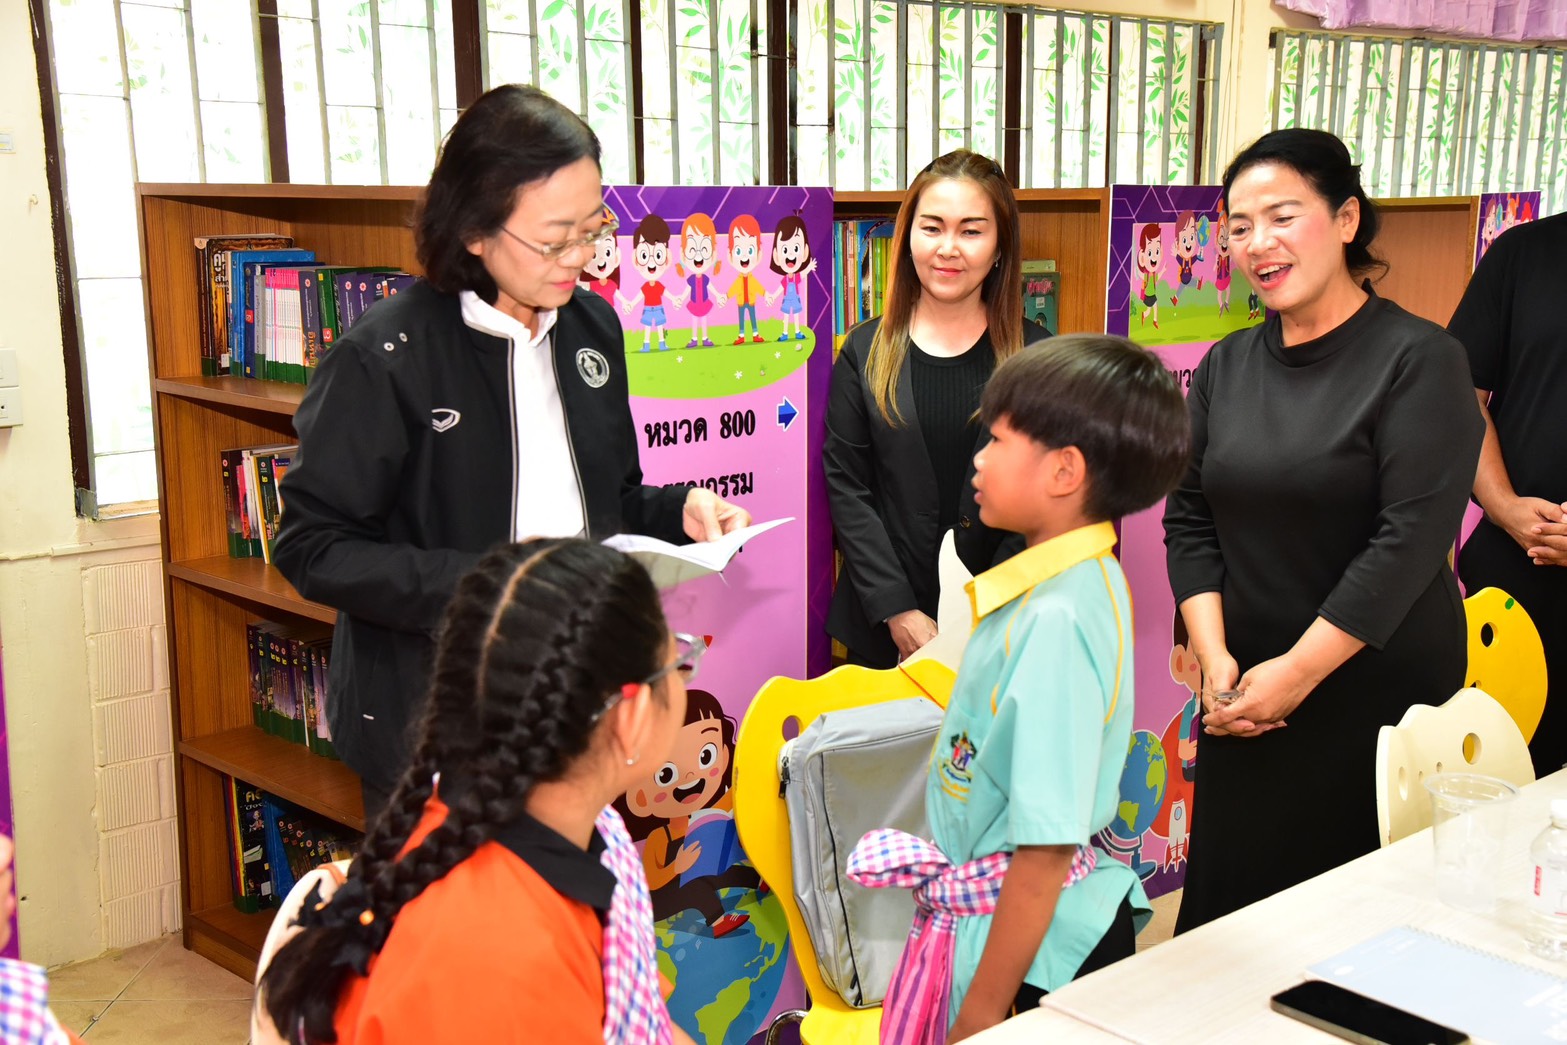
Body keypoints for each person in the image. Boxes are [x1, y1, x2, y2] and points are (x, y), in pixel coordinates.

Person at [274, 85, 749, 817]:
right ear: (474, 229)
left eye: (593, 229)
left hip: (578, 704)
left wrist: (677, 510)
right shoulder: (386, 356)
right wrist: (493, 587)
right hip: (435, 722)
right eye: (555, 239)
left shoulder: (591, 328)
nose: (582, 258)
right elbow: (313, 547)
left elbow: (609, 499)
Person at [1163, 128, 1484, 933]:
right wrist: (1214, 659)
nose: (1256, 243)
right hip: (1245, 691)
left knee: (1353, 936)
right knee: (1230, 930)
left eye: (1281, 216)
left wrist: (1297, 673)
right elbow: (1189, 515)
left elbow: (1408, 540)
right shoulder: (1227, 364)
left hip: (1369, 686)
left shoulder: (1419, 358)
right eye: (1238, 226)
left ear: (1345, 219)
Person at [849, 336, 1190, 1043]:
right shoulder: (1068, 582)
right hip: (1012, 924)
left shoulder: (1057, 619)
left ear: (1065, 470)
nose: (977, 459)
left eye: (998, 440)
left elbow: (1043, 850)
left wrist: (981, 1013)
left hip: (1029, 954)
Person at [257, 539, 702, 1044]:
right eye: (678, 661)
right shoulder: (506, 967)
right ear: (632, 715)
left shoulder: (583, 830)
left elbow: (640, 1012)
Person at [824, 149, 1048, 669]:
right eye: (932, 228)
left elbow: (1043, 500)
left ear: (1000, 246)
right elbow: (847, 488)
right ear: (908, 239)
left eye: (971, 231)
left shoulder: (1038, 358)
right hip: (882, 630)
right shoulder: (863, 351)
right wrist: (898, 610)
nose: (949, 248)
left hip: (1002, 631)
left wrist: (986, 612)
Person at [1448, 213, 1567, 776]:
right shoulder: (1524, 253)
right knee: (1493, 788)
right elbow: (1457, 393)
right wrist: (1503, 507)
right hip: (1517, 579)